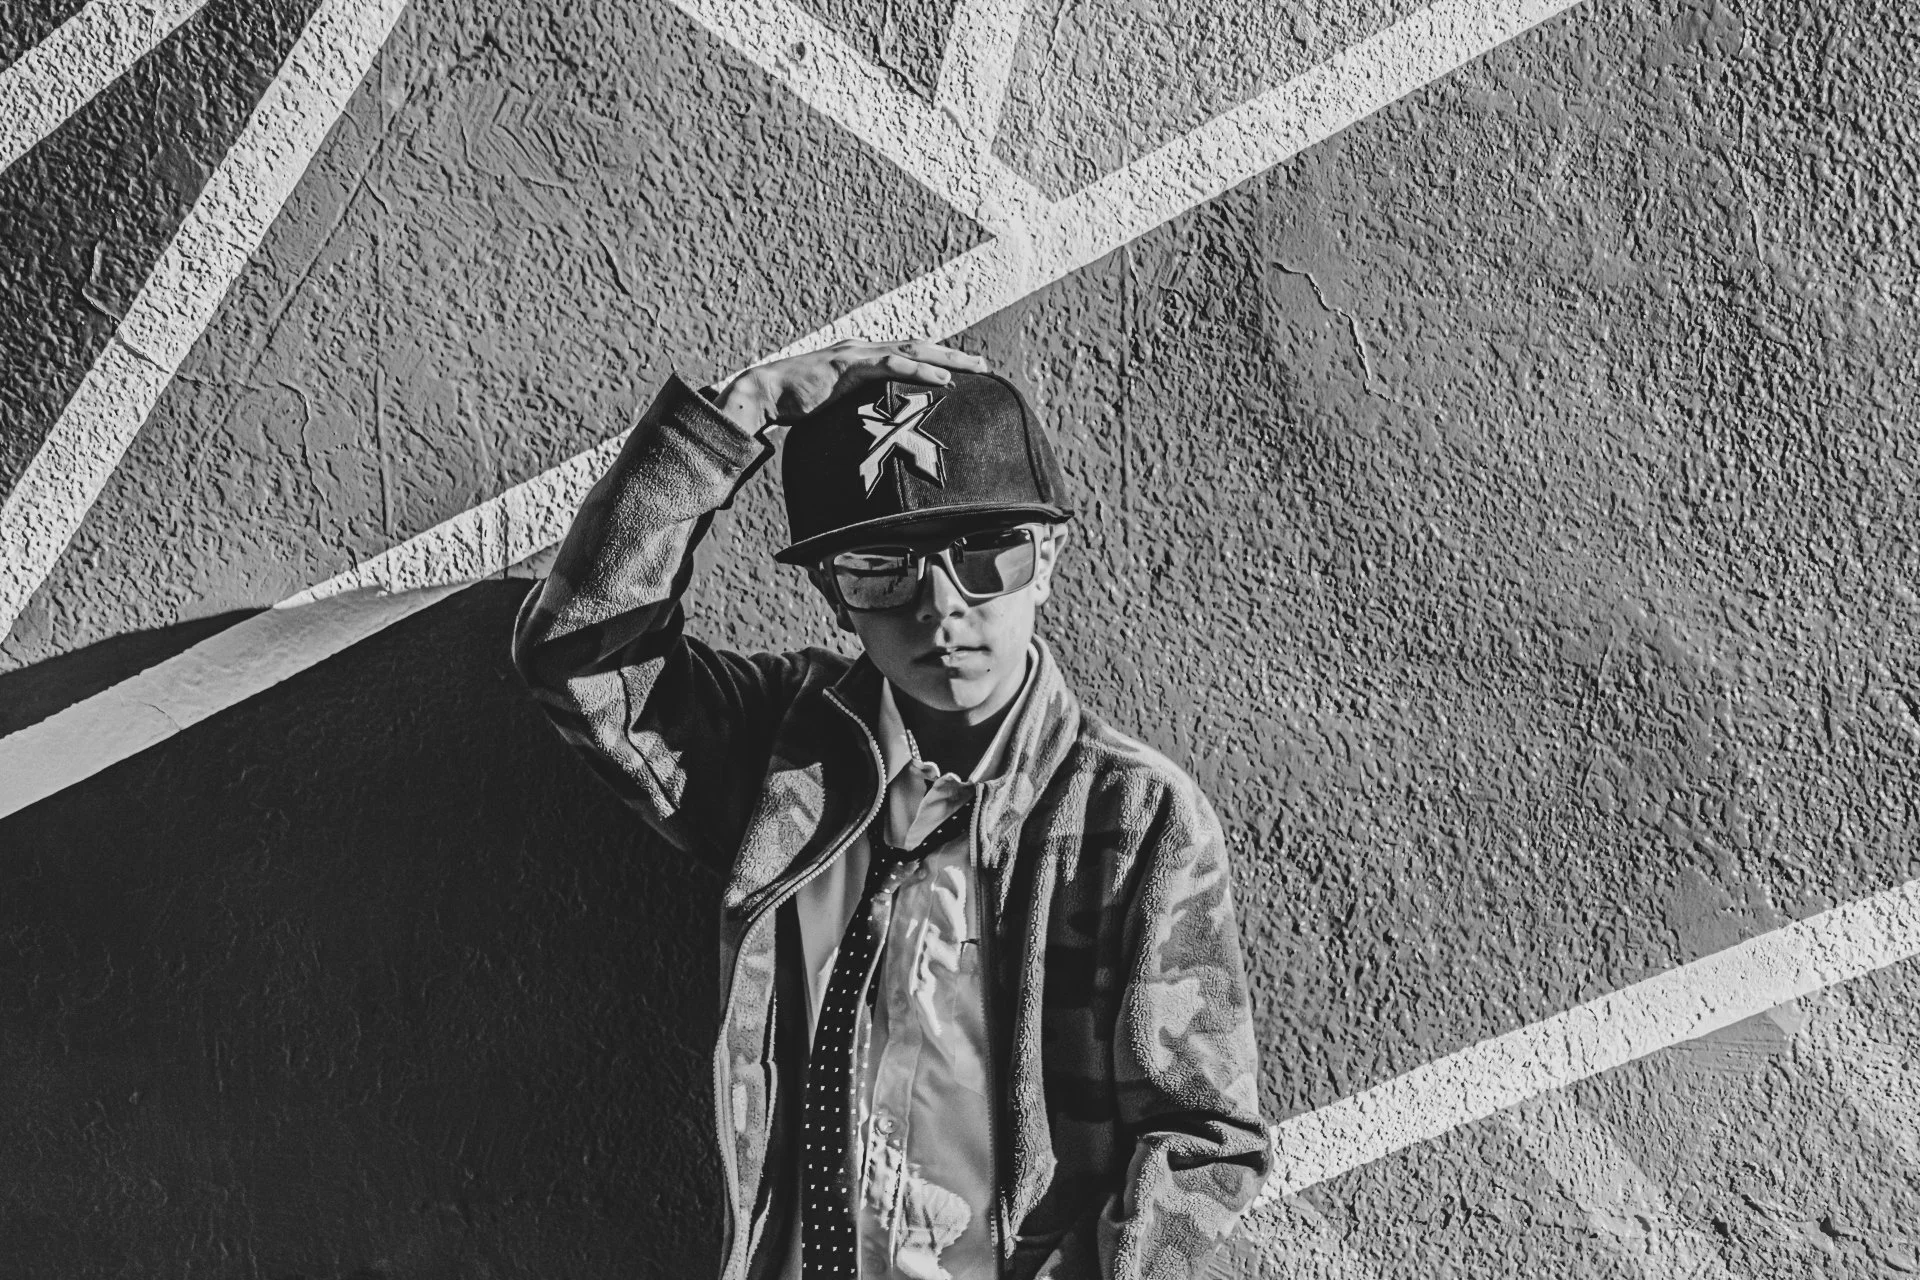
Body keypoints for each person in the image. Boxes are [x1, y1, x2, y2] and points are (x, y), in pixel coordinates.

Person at [512, 338, 1269, 1280]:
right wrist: (740, 409)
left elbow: (1201, 1137)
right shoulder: (781, 757)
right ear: (833, 592)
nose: (939, 606)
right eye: (880, 566)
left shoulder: (1131, 817)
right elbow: (579, 653)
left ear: (1049, 556)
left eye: (985, 556)